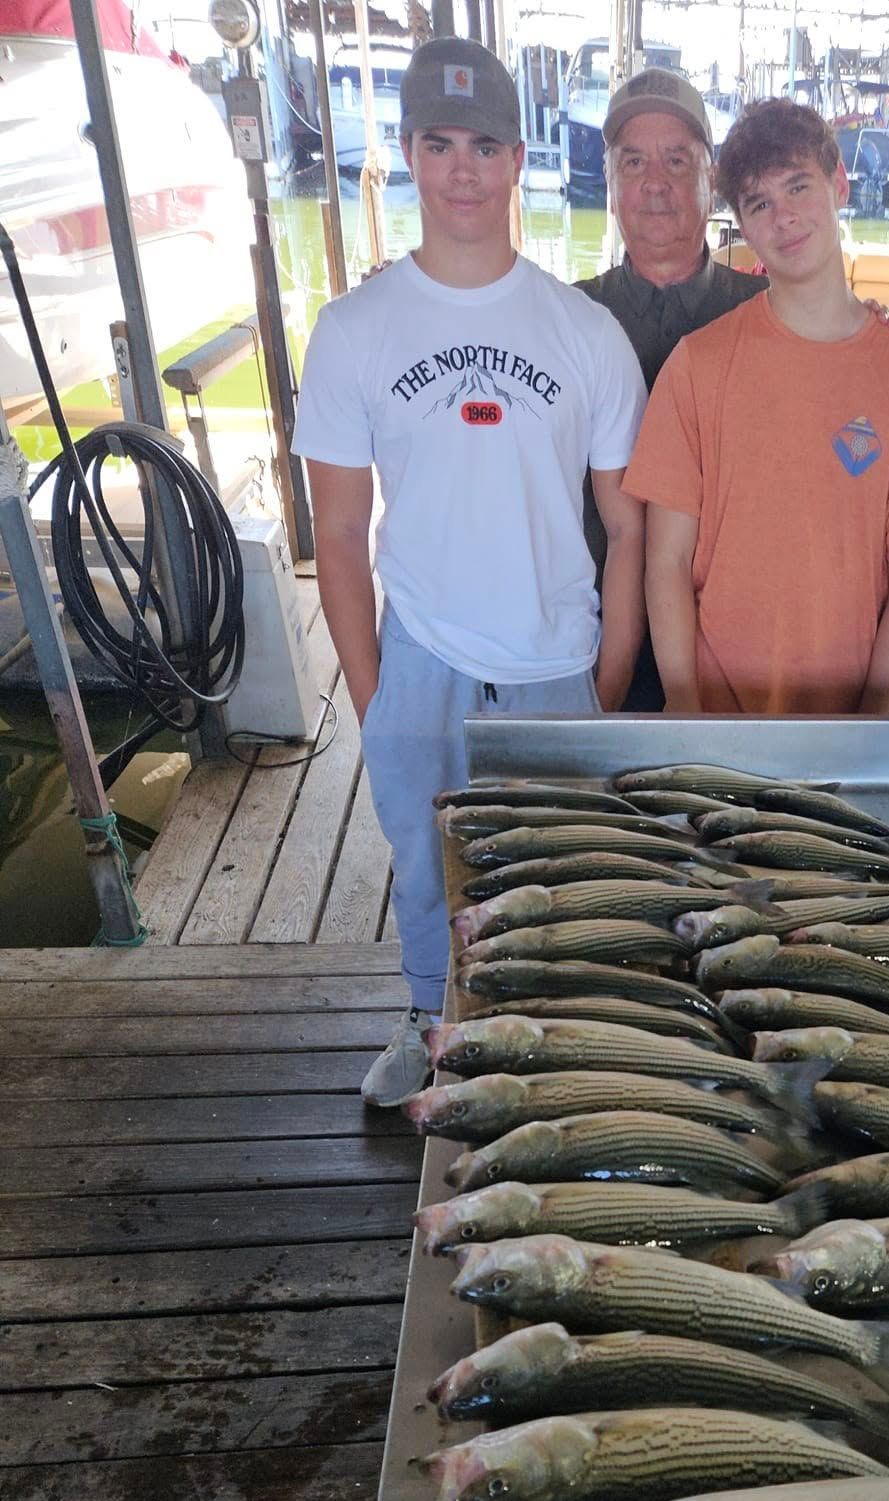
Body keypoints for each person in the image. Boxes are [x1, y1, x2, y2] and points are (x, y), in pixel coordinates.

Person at [293, 37, 648, 1106]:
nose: (461, 168)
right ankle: (427, 1021)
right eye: (439, 143)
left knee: (562, 881)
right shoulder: (352, 330)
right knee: (423, 865)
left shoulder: (587, 332)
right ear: (407, 153)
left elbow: (627, 526)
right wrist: (374, 693)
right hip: (424, 652)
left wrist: (611, 672)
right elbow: (340, 533)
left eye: (484, 145)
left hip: (558, 658)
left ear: (517, 160)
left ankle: (564, 1053)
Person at [622, 99, 889, 716]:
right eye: (759, 204)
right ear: (743, 227)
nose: (784, 217)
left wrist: (870, 727)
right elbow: (666, 558)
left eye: (799, 186)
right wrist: (685, 709)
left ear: (839, 185)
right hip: (715, 723)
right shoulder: (697, 365)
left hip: (844, 727)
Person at [574, 67, 767, 709]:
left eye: (678, 160)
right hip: (587, 656)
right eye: (633, 161)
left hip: (738, 666)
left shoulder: (779, 316)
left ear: (712, 182)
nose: (655, 182)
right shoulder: (561, 321)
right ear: (609, 184)